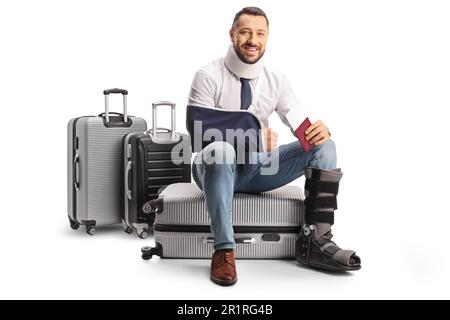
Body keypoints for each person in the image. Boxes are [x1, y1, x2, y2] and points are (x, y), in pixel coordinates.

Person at [188, 6, 361, 286]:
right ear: (232, 35)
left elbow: (300, 122)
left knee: (326, 147)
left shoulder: (275, 81)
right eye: (245, 32)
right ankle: (223, 249)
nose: (252, 40)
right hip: (214, 169)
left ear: (267, 38)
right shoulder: (207, 76)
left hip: (257, 169)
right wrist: (251, 137)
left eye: (259, 34)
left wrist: (318, 129)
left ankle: (315, 242)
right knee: (221, 151)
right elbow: (199, 133)